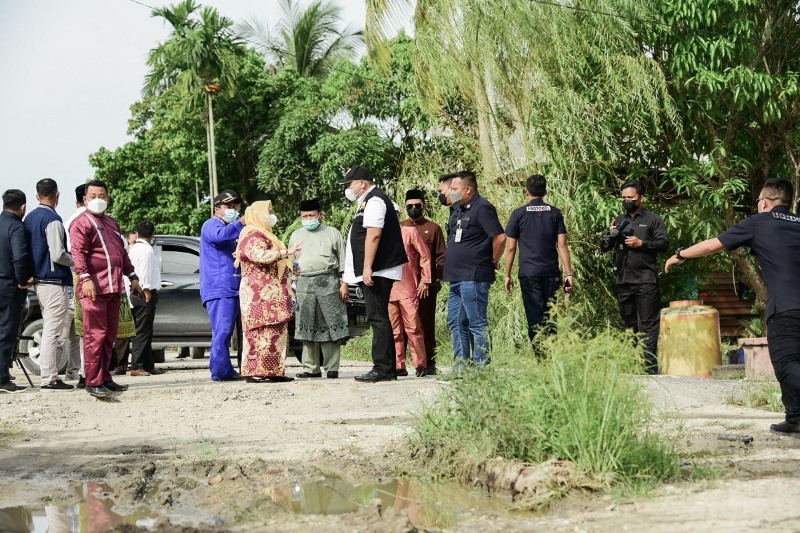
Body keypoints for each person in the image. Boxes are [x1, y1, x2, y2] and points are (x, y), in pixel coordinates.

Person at [665, 178, 800, 434]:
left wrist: (680, 254)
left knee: (787, 363)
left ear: (764, 202)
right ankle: (795, 418)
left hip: (786, 307)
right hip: (791, 305)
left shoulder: (758, 223)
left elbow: (712, 245)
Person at [69, 180, 141, 398]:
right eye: (93, 196)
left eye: (102, 195)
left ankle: (105, 378)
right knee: (95, 336)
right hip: (93, 288)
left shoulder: (111, 223)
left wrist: (133, 276)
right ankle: (93, 381)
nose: (97, 200)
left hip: (113, 287)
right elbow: (78, 253)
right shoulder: (81, 223)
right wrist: (85, 278)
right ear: (85, 199)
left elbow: (121, 254)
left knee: (109, 335)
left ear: (108, 198)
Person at [341, 166, 408, 382]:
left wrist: (367, 267)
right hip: (373, 268)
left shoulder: (375, 200)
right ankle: (387, 367)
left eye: (350, 184)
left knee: (377, 317)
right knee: (379, 316)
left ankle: (382, 368)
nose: (348, 189)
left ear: (362, 182)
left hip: (377, 269)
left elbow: (374, 235)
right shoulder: (367, 200)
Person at [601, 179, 669, 374]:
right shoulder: (619, 220)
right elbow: (604, 247)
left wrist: (642, 243)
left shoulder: (653, 219)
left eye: (630, 197)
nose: (626, 200)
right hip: (623, 280)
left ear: (641, 198)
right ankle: (634, 366)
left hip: (646, 280)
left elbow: (663, 244)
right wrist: (611, 234)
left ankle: (648, 370)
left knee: (648, 324)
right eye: (623, 198)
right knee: (629, 325)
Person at [444, 170, 506, 371]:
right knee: (456, 322)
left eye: (454, 189)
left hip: (474, 275)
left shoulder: (483, 208)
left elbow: (499, 238)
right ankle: (461, 367)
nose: (450, 192)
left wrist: (494, 260)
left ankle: (482, 368)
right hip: (455, 277)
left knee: (476, 323)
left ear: (468, 189)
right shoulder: (458, 209)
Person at [504, 174, 574, 348]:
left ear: (525, 191)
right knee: (551, 315)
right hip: (551, 273)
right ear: (545, 191)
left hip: (528, 274)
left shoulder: (518, 214)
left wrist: (507, 274)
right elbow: (562, 245)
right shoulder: (555, 213)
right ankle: (551, 357)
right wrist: (569, 274)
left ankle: (541, 356)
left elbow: (511, 248)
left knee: (535, 316)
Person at [234, 200, 300, 383]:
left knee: (274, 334)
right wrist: (286, 252)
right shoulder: (251, 235)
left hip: (272, 296)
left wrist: (291, 266)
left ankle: (273, 371)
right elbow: (259, 256)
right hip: (259, 297)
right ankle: (255, 372)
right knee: (259, 334)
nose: (272, 215)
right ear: (257, 214)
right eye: (269, 211)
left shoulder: (266, 235)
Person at [24, 179, 76, 392]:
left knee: (52, 329)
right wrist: (76, 261)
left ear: (37, 196)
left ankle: (50, 375)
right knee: (53, 331)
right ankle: (49, 378)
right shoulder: (53, 219)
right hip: (54, 281)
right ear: (57, 195)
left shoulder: (29, 218)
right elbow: (58, 254)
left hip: (39, 281)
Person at [289, 198, 349, 379]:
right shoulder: (296, 235)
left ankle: (332, 368)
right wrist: (291, 285)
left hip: (329, 282)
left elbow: (344, 261)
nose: (308, 219)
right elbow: (293, 264)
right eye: (304, 216)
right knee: (306, 325)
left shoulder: (333, 233)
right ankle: (310, 368)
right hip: (304, 283)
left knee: (331, 324)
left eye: (311, 215)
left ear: (320, 215)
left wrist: (344, 283)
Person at [200, 189, 245, 382]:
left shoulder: (234, 229)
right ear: (217, 209)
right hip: (220, 288)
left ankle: (228, 368)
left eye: (236, 206)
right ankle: (220, 371)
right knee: (223, 330)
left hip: (234, 287)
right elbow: (221, 236)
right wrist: (241, 222)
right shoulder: (211, 225)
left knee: (231, 333)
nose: (233, 210)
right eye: (229, 206)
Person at [401, 189, 445, 374]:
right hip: (405, 286)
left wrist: (434, 280)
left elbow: (440, 257)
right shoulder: (400, 227)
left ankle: (429, 364)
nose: (413, 209)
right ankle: (400, 364)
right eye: (410, 206)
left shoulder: (433, 228)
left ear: (424, 206)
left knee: (426, 323)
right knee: (404, 325)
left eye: (417, 205)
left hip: (426, 286)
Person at [390, 203, 432, 377]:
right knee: (394, 330)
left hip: (408, 287)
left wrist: (426, 279)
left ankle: (420, 364)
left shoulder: (409, 232)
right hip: (388, 289)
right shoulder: (377, 237)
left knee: (413, 327)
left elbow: (424, 255)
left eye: (393, 214)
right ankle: (399, 364)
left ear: (399, 215)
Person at [0, 190, 32, 394]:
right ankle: (2, 379)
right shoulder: (16, 227)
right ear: (23, 207)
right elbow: (19, 258)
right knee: (6, 332)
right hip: (9, 286)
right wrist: (23, 280)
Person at [128, 220, 166, 377]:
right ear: (152, 234)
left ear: (137, 233)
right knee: (142, 331)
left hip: (135, 292)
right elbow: (143, 272)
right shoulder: (147, 250)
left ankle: (148, 364)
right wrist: (147, 290)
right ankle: (136, 366)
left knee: (146, 330)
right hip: (144, 293)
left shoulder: (133, 249)